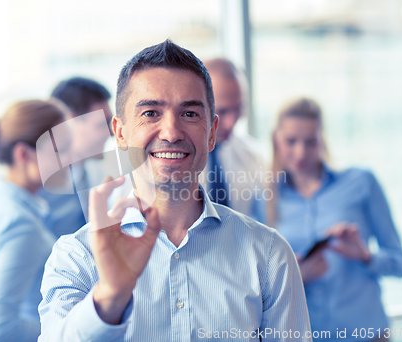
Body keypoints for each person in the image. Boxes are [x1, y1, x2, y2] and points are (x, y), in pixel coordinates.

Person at [38, 40, 311, 342]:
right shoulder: (75, 257)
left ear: (212, 133)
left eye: (190, 114)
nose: (171, 132)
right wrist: (109, 298)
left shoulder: (270, 255)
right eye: (151, 113)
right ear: (119, 133)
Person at [265, 97, 402, 342]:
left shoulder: (361, 182)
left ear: (322, 140)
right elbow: (259, 286)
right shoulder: (264, 200)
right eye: (291, 141)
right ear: (276, 139)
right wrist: (296, 276)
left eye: (311, 142)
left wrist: (365, 255)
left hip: (366, 333)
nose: (300, 151)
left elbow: (399, 263)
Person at [0, 100, 69, 342]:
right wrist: (66, 328)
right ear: (23, 154)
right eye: (61, 150)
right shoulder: (22, 225)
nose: (70, 161)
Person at [38, 77, 114, 238]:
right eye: (103, 124)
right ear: (70, 121)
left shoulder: (95, 172)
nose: (113, 132)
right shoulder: (42, 186)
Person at [199, 58, 265, 215]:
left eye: (238, 109)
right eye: (222, 111)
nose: (230, 123)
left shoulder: (254, 157)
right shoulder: (166, 161)